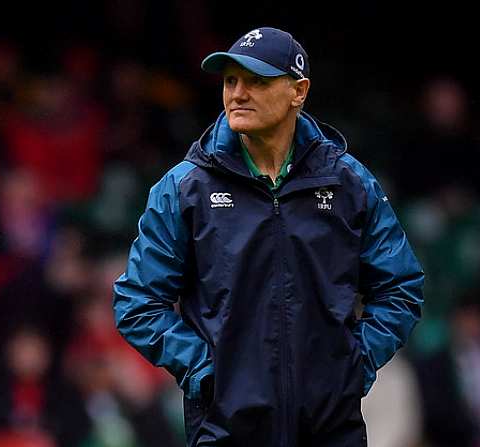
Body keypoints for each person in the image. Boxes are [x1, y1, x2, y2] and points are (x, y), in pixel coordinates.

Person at [113, 26, 425, 446]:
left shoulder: (349, 183)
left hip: (329, 428)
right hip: (225, 428)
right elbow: (137, 301)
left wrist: (353, 365)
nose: (238, 93)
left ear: (299, 91)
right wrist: (206, 372)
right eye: (230, 81)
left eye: (257, 81)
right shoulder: (185, 188)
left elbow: (401, 286)